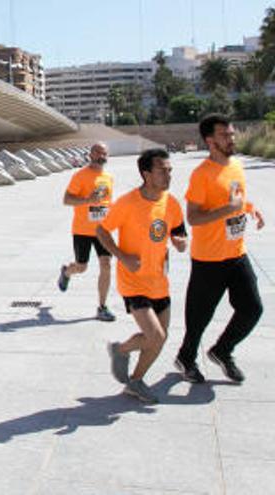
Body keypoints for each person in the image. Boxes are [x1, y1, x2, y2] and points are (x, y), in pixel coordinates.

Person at [175, 114, 265, 384]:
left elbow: (236, 198)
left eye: (232, 134)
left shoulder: (235, 165)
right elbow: (193, 217)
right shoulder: (202, 174)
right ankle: (186, 357)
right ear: (210, 140)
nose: (232, 139)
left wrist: (251, 209)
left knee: (252, 309)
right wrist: (228, 210)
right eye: (225, 135)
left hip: (236, 253)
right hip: (209, 259)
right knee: (199, 318)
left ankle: (222, 350)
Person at [98, 149, 187, 404]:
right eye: (163, 170)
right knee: (155, 336)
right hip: (133, 280)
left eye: (170, 170)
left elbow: (178, 231)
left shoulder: (171, 202)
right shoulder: (127, 203)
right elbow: (102, 231)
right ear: (146, 174)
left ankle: (135, 381)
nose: (168, 174)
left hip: (159, 281)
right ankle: (121, 349)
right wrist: (121, 255)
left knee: (159, 339)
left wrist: (180, 242)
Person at [57, 142, 117, 322]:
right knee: (81, 267)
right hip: (82, 230)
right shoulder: (80, 176)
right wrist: (87, 200)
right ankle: (67, 272)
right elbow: (67, 200)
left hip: (102, 230)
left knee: (106, 265)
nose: (102, 156)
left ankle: (102, 307)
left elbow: (107, 203)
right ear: (90, 155)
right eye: (98, 152)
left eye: (105, 153)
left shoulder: (108, 177)